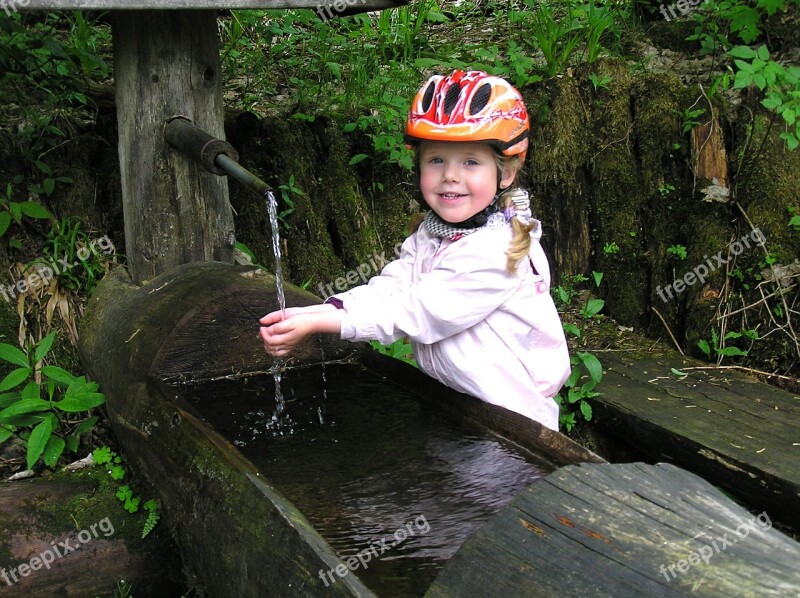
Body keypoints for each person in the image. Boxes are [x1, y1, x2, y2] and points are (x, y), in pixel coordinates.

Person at [260, 70, 570, 431]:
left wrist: (323, 324)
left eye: (471, 162)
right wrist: (325, 309)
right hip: (456, 404)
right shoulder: (436, 232)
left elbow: (418, 311)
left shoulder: (496, 252)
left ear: (507, 172)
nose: (450, 176)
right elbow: (395, 286)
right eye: (436, 160)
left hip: (511, 427)